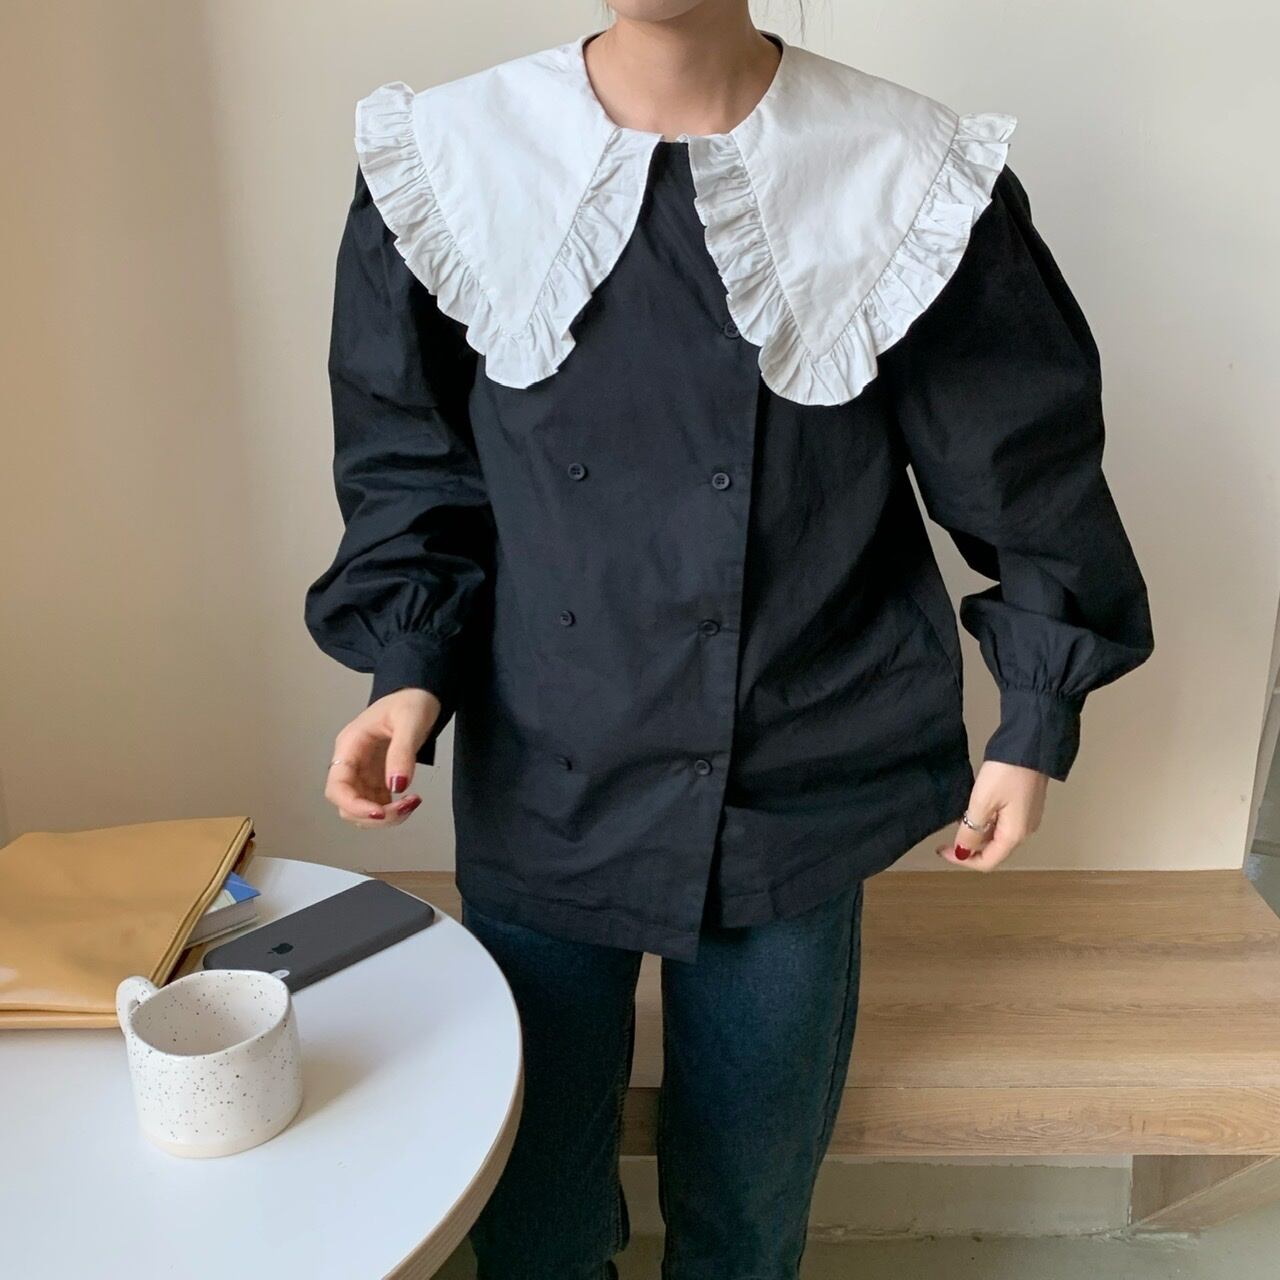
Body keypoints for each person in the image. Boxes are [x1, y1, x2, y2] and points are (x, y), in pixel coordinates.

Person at [304, 3, 1154, 1276]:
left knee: (747, 1215)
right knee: (530, 1213)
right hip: (548, 760)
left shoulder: (902, 169)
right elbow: (413, 468)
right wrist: (407, 672)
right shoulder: (449, 157)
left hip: (800, 773)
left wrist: (1033, 712)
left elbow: (1021, 472)